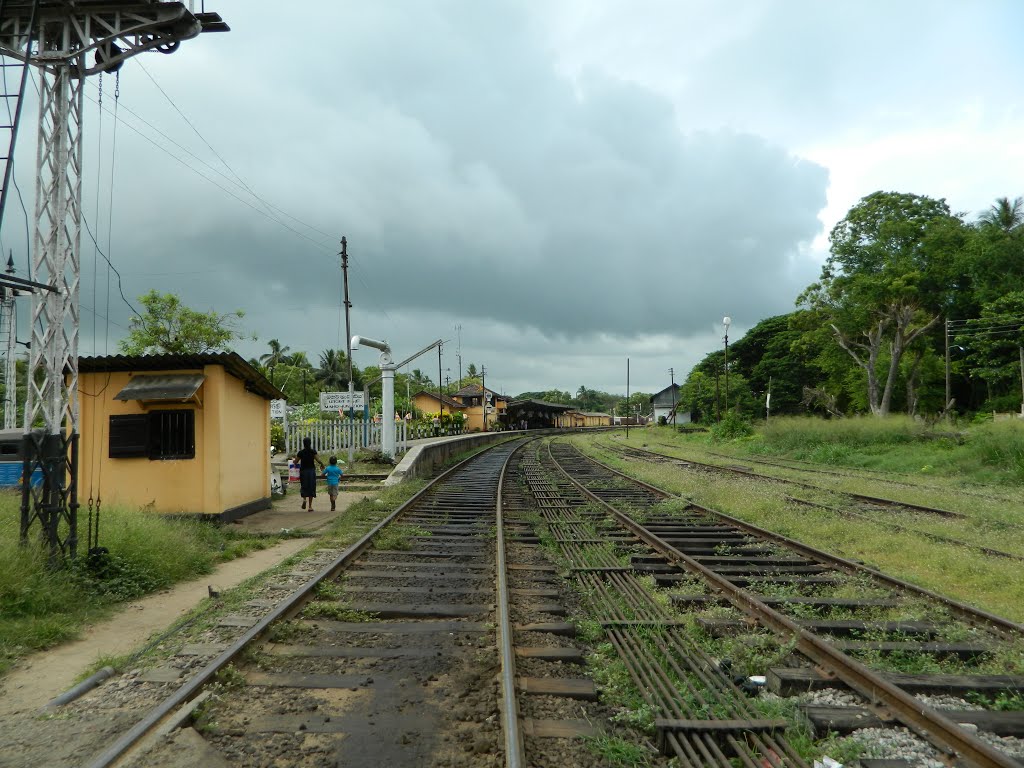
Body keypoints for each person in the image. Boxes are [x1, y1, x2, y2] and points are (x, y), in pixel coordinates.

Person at [296, 437, 324, 511]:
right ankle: (310, 506)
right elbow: (318, 460)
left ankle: (304, 499)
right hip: (311, 471)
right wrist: (322, 464)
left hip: (303, 471)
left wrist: (294, 461)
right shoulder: (313, 451)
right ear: (310, 443)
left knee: (304, 485)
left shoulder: (301, 452)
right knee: (311, 487)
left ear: (303, 443)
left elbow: (296, 461)